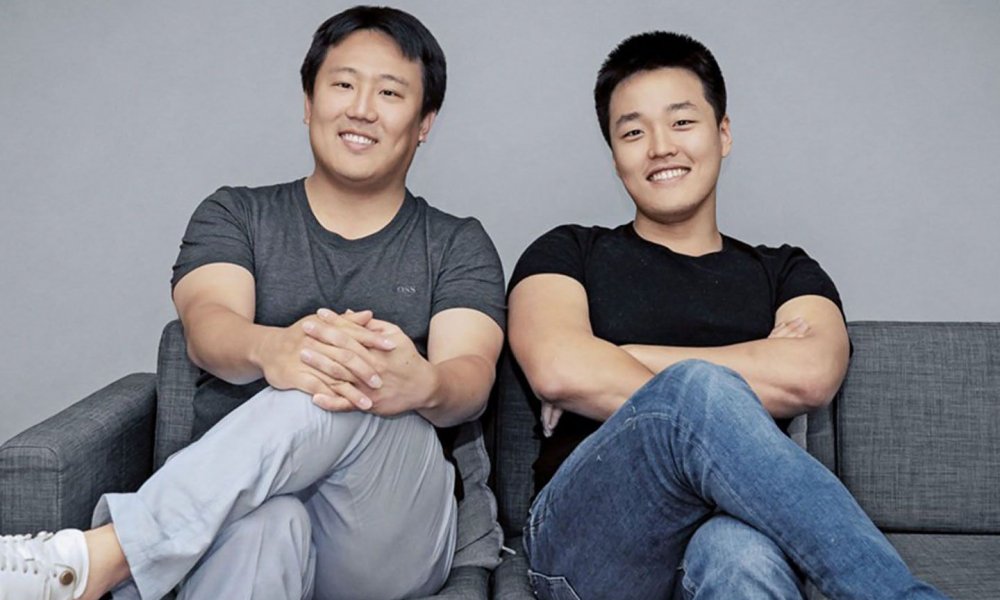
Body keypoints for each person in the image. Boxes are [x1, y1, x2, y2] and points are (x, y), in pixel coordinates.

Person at [0, 6, 505, 600]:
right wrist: (274, 349)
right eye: (343, 84)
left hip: (389, 532)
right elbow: (207, 326)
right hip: (234, 520)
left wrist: (420, 384)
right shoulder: (236, 215)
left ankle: (105, 556)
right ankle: (123, 552)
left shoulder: (456, 242)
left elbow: (471, 377)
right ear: (309, 101)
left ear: (424, 123)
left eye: (390, 93)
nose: (362, 108)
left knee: (339, 376)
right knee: (267, 522)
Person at [506, 31, 945, 599]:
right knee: (698, 389)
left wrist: (625, 356)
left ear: (723, 133)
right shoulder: (568, 251)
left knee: (742, 555)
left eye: (682, 122)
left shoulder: (785, 272)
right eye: (633, 132)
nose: (660, 147)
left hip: (731, 525)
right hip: (589, 545)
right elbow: (558, 368)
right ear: (614, 156)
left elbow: (810, 375)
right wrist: (698, 391)